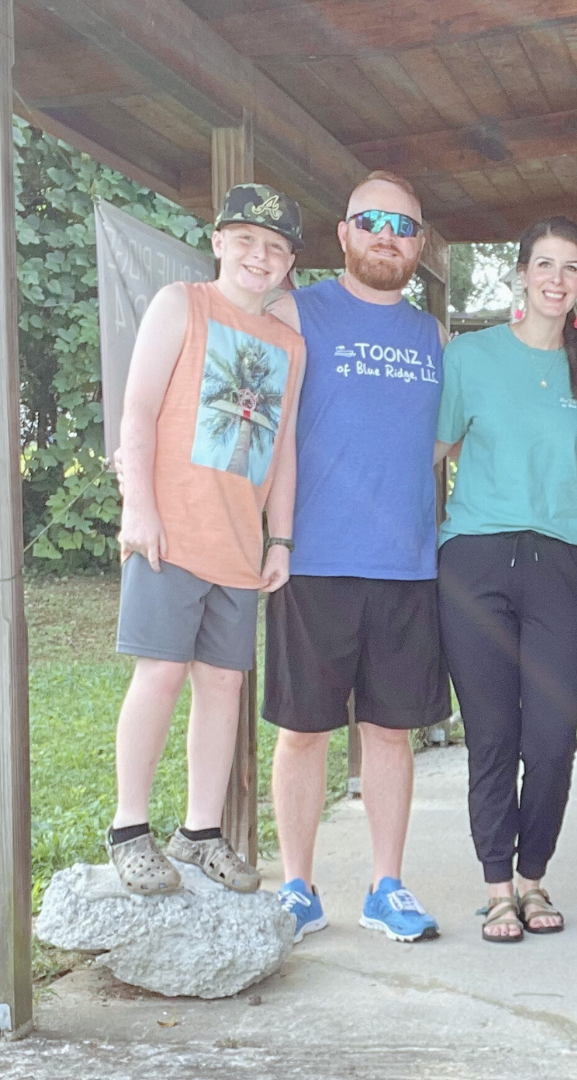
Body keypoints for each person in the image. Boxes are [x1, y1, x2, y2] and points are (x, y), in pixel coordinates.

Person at [263, 172, 451, 943]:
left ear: (419, 244)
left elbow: (440, 441)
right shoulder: (294, 310)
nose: (387, 235)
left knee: (389, 731)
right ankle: (298, 887)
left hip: (406, 564)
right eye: (371, 220)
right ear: (343, 232)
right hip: (311, 559)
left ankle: (385, 886)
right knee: (304, 730)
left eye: (403, 226)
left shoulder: (435, 336)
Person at [108, 184, 306, 896]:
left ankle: (199, 832)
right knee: (159, 675)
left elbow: (281, 450)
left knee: (223, 686)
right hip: (170, 530)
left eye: (277, 248)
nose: (260, 256)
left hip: (238, 547)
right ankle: (129, 828)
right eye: (247, 240)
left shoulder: (290, 344)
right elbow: (136, 409)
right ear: (219, 240)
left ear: (289, 265)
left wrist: (278, 540)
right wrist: (140, 507)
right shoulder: (180, 304)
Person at [436, 217, 577, 942]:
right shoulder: (471, 357)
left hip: (561, 562)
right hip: (474, 560)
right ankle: (499, 886)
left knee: (554, 738)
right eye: (543, 264)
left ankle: (536, 877)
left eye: (570, 268)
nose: (555, 279)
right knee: (494, 734)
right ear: (521, 273)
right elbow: (432, 450)